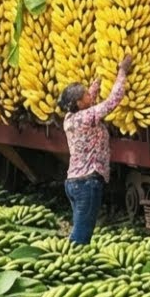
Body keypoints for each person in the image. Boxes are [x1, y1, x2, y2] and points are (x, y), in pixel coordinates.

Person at [58, 55, 133, 244]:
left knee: (80, 227)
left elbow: (86, 104)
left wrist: (96, 85)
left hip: (73, 182)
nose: (89, 96)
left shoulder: (70, 117)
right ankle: (73, 263)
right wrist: (122, 72)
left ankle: (72, 258)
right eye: (86, 95)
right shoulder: (87, 117)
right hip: (87, 183)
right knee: (82, 233)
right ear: (79, 104)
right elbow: (112, 101)